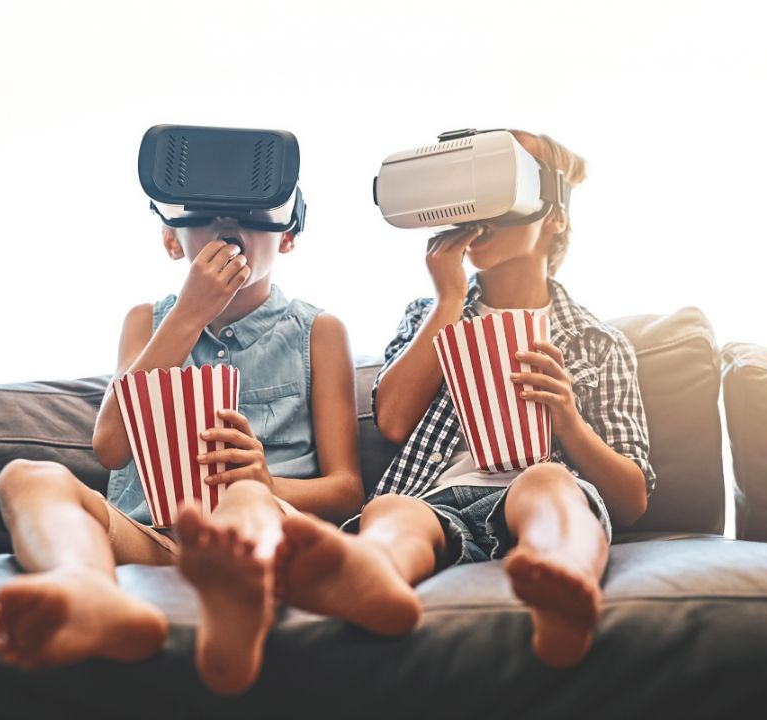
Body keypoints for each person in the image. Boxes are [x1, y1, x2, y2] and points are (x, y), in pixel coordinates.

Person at [0, 126, 364, 696]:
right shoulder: (146, 321)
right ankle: (87, 590)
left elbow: (347, 490)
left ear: (286, 238)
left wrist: (267, 481)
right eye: (208, 220)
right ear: (171, 241)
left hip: (263, 528)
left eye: (250, 218)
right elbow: (110, 447)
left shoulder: (319, 332)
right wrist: (187, 316)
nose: (229, 235)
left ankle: (241, 600)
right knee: (26, 478)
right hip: (153, 537)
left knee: (246, 496)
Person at [278, 129, 655, 669]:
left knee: (547, 481)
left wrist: (568, 420)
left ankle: (564, 578)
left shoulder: (599, 344)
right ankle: (372, 578)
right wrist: (449, 298)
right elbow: (392, 419)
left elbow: (633, 497)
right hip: (434, 499)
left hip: (537, 490)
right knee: (391, 510)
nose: (480, 219)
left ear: (553, 217)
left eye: (503, 201)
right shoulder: (428, 317)